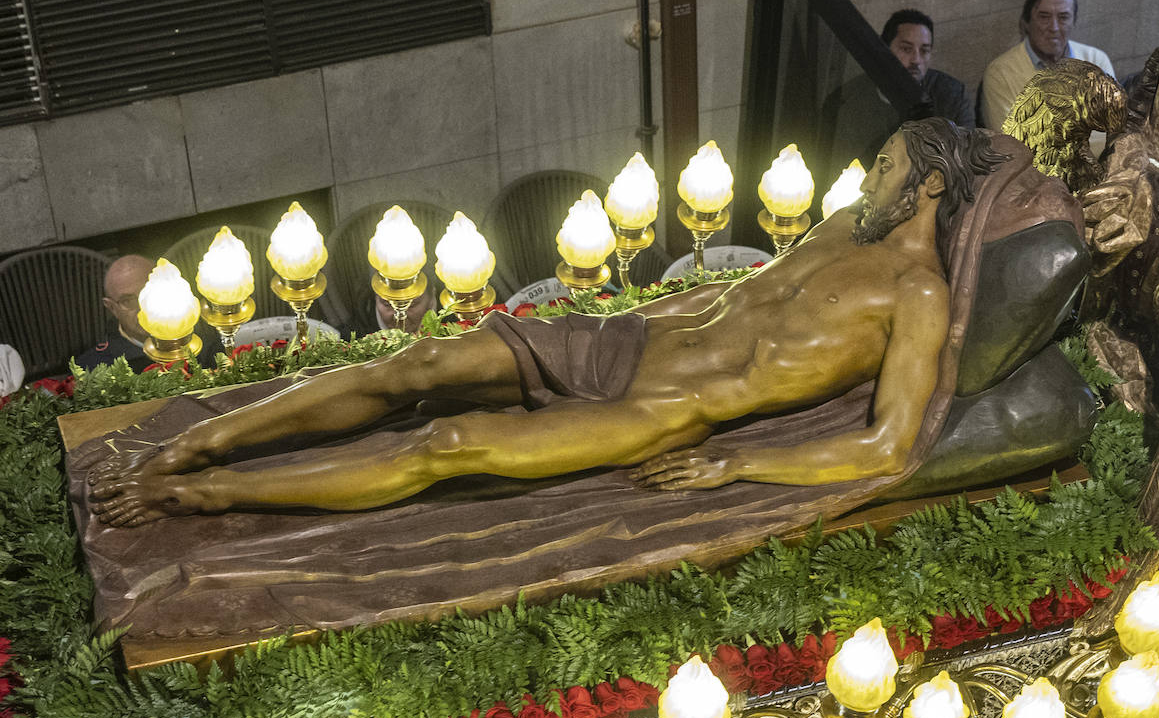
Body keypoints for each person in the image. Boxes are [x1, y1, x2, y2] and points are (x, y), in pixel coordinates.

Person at [88, 119, 1009, 526]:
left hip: (665, 408)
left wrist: (738, 458)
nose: (869, 174)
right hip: (629, 336)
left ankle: (198, 496)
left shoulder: (918, 295)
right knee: (417, 364)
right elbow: (732, 293)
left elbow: (888, 447)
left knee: (446, 442)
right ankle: (196, 443)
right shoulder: (847, 222)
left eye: (885, 166)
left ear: (929, 185)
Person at [822, 9, 975, 177]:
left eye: (924, 51)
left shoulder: (951, 95)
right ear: (885, 50)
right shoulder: (849, 100)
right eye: (906, 49)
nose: (916, 60)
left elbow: (965, 161)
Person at [980, 0, 1115, 132]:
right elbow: (1010, 143)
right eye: (1044, 17)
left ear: (1074, 21)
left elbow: (1112, 130)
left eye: (1063, 17)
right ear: (1026, 22)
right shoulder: (1000, 73)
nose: (1054, 28)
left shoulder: (1096, 60)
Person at [74, 254, 156, 373]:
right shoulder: (92, 369)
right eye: (128, 301)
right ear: (112, 308)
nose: (143, 308)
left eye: (149, 294)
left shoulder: (191, 342)